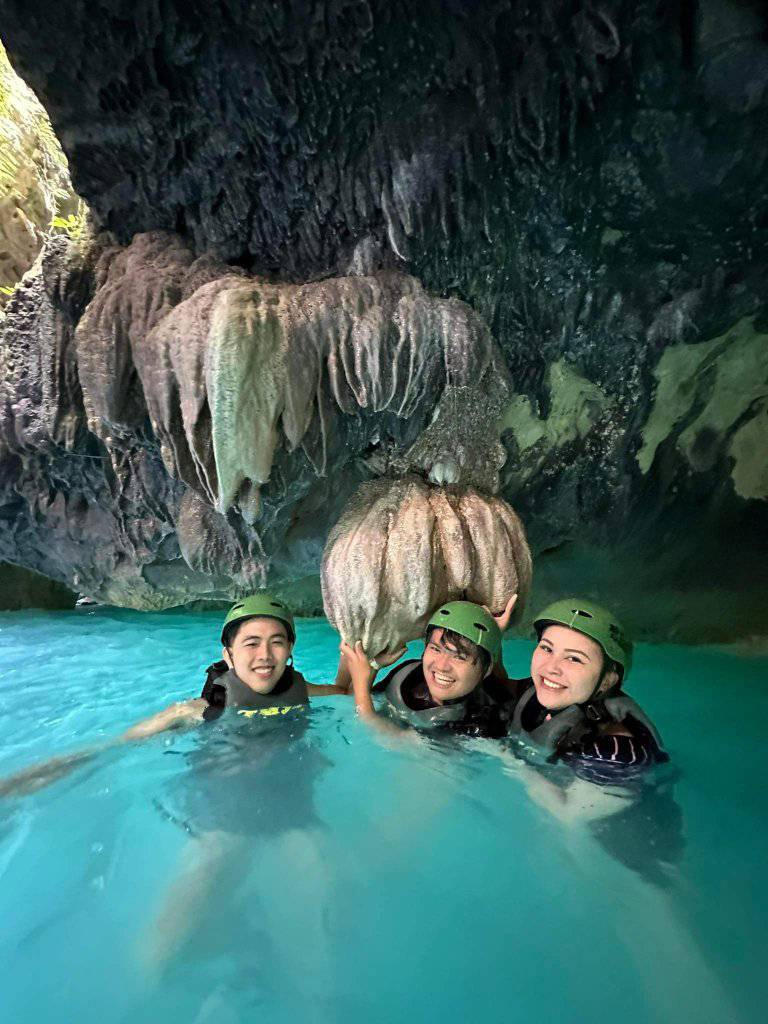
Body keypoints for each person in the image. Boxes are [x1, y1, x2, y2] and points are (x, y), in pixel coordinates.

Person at [0, 592, 347, 797]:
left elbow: (343, 693)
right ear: (228, 655)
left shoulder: (300, 691)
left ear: (289, 650)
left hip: (286, 793)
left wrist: (358, 658)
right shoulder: (200, 710)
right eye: (251, 643)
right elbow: (110, 749)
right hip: (220, 798)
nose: (265, 656)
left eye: (277, 643)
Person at [506, 597, 668, 776]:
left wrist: (507, 758)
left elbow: (568, 805)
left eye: (574, 659)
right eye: (547, 648)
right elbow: (488, 688)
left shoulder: (616, 753)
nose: (551, 668)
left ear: (608, 680)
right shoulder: (534, 692)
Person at [340, 599, 516, 738]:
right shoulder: (409, 673)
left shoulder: (483, 722)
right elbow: (351, 699)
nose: (441, 666)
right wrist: (373, 667)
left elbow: (395, 741)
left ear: (486, 670)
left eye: (459, 657)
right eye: (435, 649)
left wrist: (362, 683)